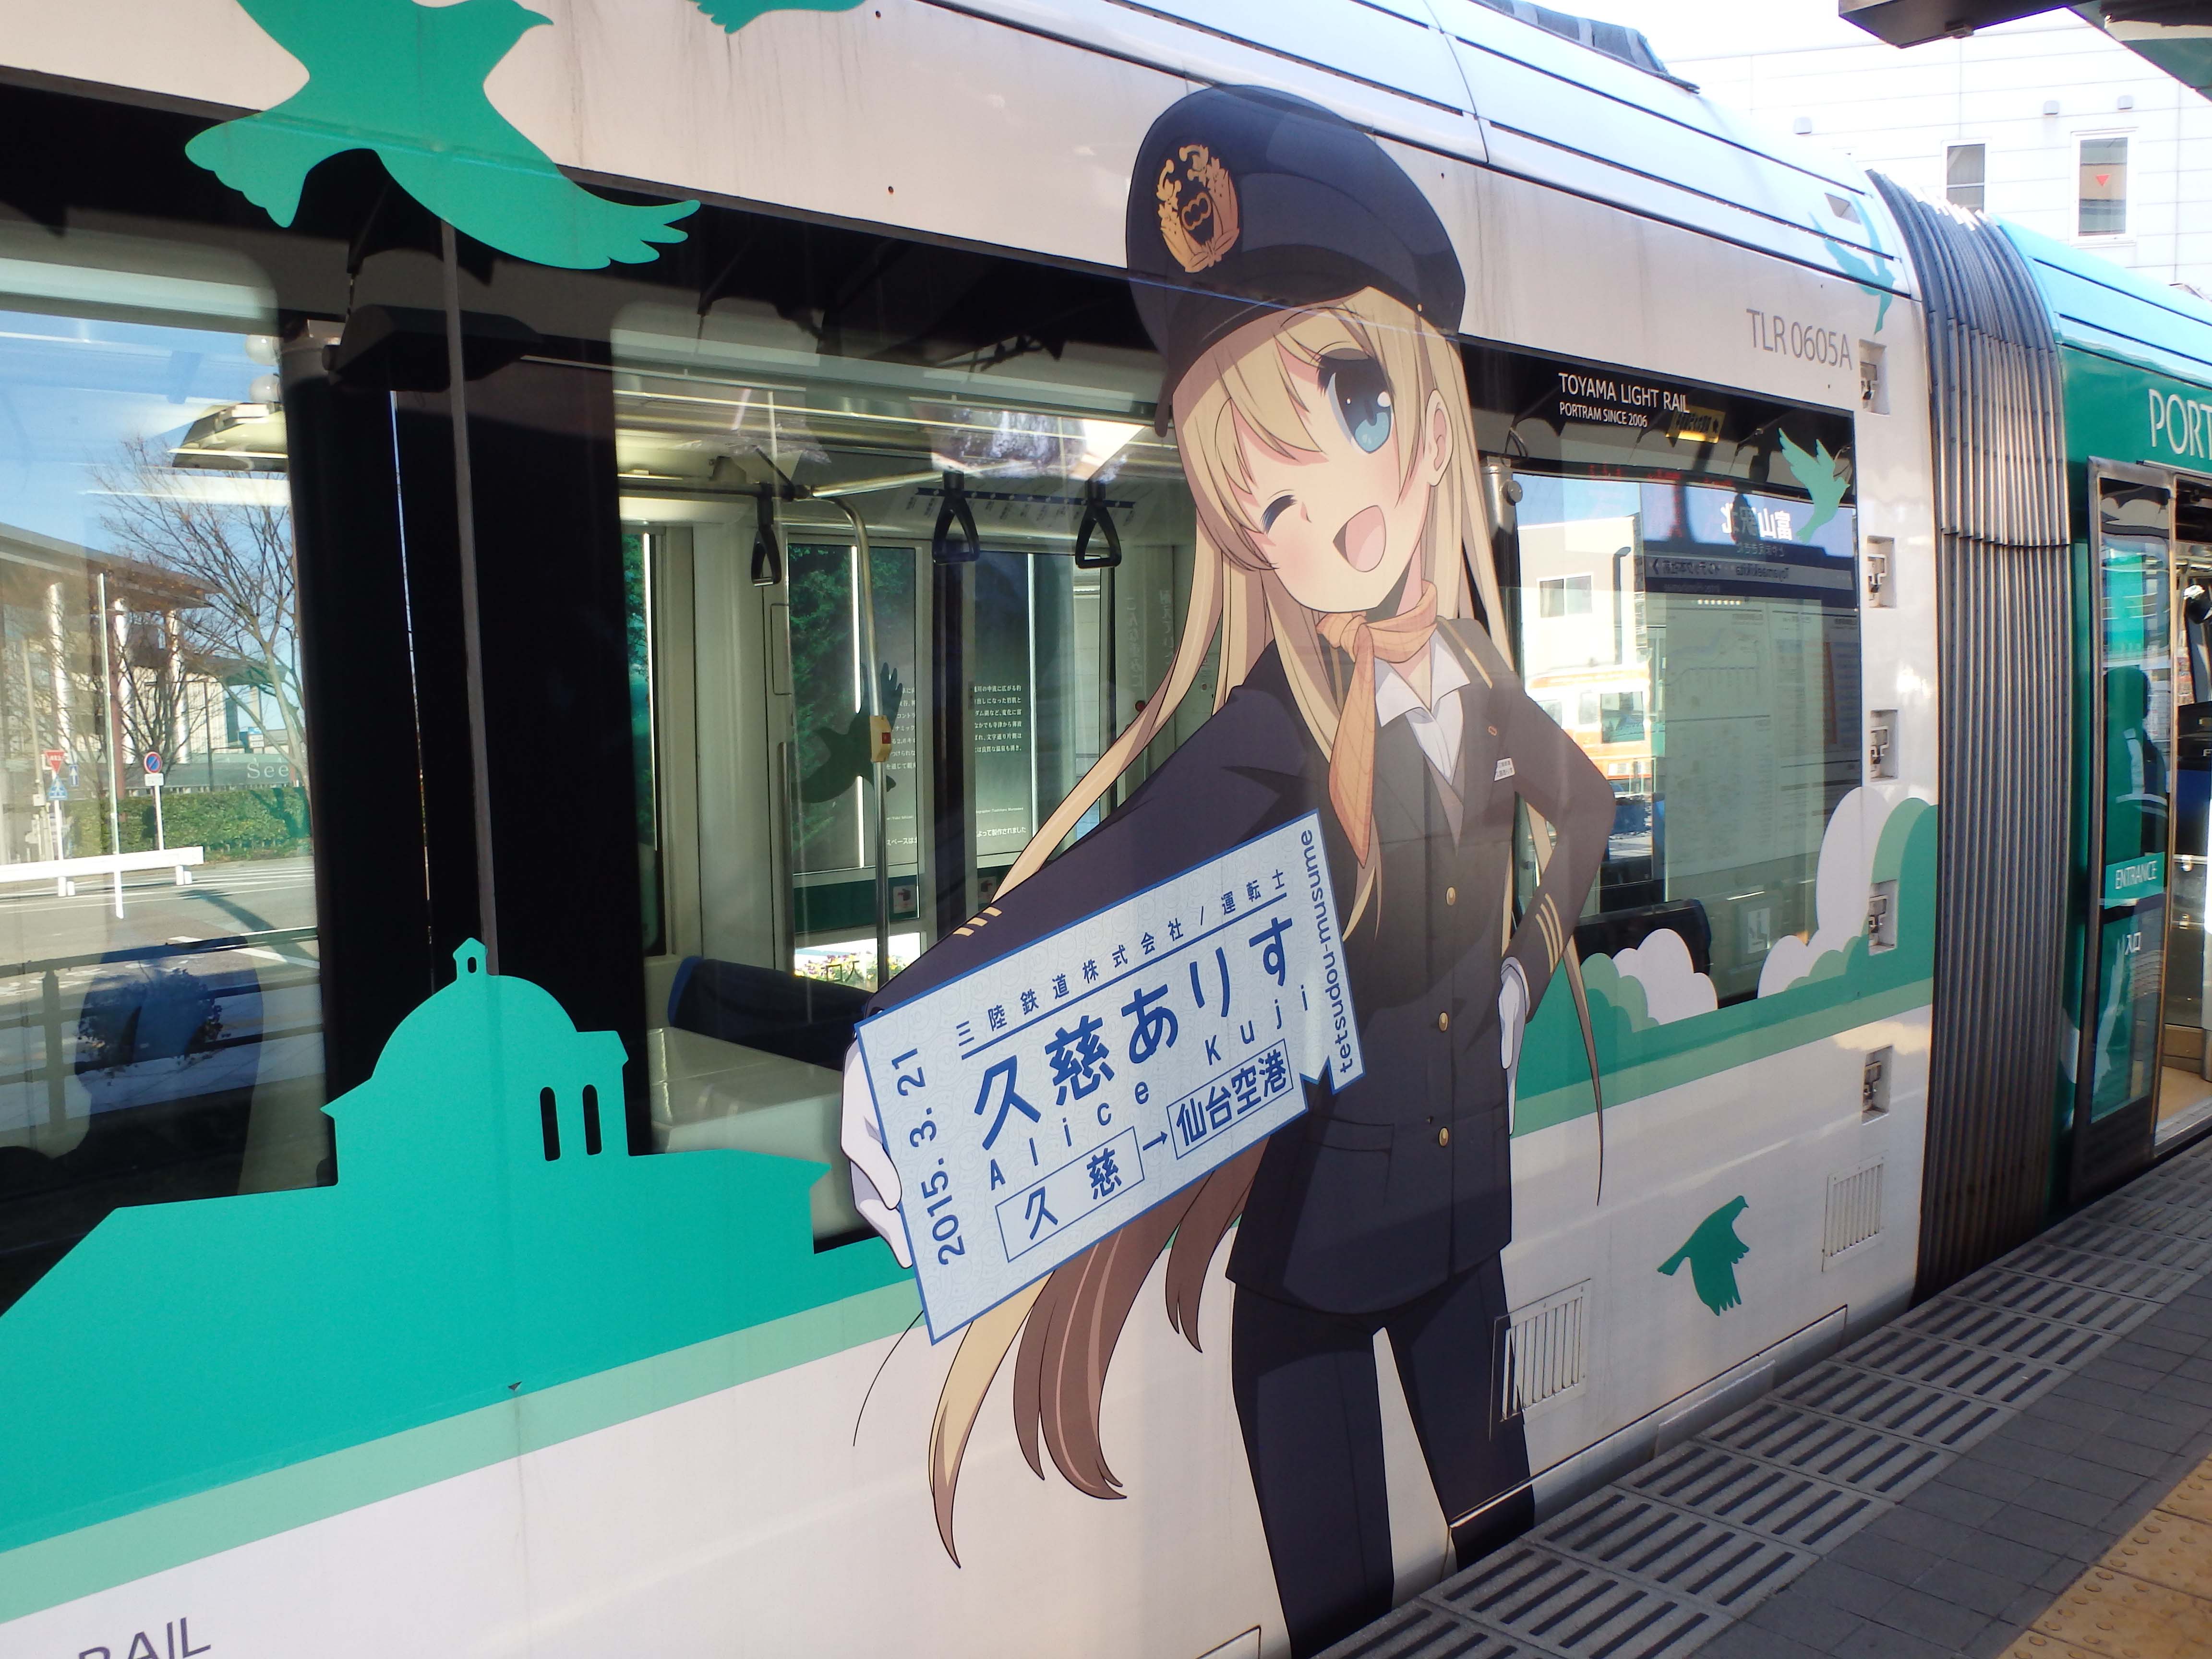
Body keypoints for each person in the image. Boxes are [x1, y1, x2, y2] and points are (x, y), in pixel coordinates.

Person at [841, 84, 1614, 1655]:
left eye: (1358, 413)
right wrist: (915, 1038)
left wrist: (1527, 970)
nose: (1328, 515)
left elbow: (1588, 808)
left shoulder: (1480, 694)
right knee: (1344, 1619)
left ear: (1430, 410)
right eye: (1269, 498)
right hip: (1308, 1293)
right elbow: (1120, 869)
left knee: (1512, 1572)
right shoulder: (1267, 740)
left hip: (1461, 1248)